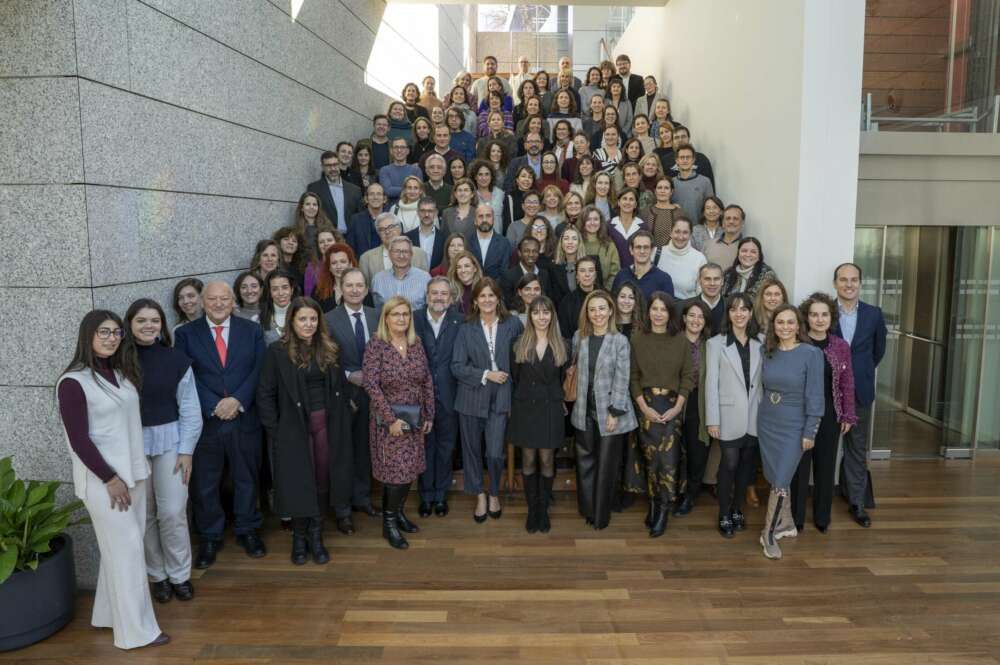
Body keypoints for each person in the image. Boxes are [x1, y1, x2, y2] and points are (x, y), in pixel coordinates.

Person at [57, 311, 169, 649]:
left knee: (119, 551)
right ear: (87, 335)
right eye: (103, 332)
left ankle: (107, 615)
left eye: (116, 332)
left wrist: (133, 473)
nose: (111, 338)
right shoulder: (73, 382)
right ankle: (137, 632)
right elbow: (79, 440)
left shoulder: (120, 373)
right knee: (128, 552)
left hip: (134, 475)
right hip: (105, 483)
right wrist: (109, 477)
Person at [173, 282, 266, 567]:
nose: (218, 303)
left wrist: (237, 400)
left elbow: (259, 369)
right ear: (202, 302)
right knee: (205, 482)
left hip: (244, 416)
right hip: (206, 421)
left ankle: (248, 529)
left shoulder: (252, 330)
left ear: (233, 301)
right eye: (212, 299)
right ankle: (210, 536)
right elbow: (185, 375)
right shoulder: (185, 334)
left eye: (224, 298)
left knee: (246, 478)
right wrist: (214, 404)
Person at [256, 297, 352, 565]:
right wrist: (276, 430)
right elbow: (265, 394)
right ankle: (299, 537)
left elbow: (341, 388)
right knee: (298, 481)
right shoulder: (277, 351)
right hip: (293, 428)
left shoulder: (331, 347)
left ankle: (316, 535)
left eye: (313, 319)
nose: (308, 324)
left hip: (326, 426)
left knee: (322, 480)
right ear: (292, 321)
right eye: (302, 319)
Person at [122, 300, 202, 605]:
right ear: (129, 324)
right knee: (145, 514)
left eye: (154, 320)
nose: (148, 326)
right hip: (132, 445)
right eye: (141, 320)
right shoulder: (117, 362)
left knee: (173, 512)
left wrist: (187, 451)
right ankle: (158, 576)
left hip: (171, 442)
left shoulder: (176, 359)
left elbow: (191, 409)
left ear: (162, 324)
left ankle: (180, 574)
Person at [363, 296, 435, 549]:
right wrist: (391, 420)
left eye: (405, 314)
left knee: (409, 470)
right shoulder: (376, 345)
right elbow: (371, 384)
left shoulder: (416, 343)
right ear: (386, 318)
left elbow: (426, 379)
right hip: (388, 422)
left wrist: (429, 414)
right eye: (396, 314)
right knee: (396, 473)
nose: (401, 318)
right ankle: (389, 523)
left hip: (414, 418)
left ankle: (399, 513)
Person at [451, 278, 524, 521]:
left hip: (501, 396)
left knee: (494, 453)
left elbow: (523, 358)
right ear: (475, 301)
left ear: (498, 298)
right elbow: (457, 366)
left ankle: (494, 492)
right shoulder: (466, 328)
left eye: (491, 295)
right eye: (482, 296)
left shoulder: (513, 324)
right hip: (471, 396)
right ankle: (479, 495)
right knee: (471, 451)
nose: (487, 300)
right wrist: (485, 374)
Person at [757, 304, 825, 560]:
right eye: (780, 322)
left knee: (782, 477)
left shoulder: (811, 354)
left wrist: (810, 431)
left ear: (798, 326)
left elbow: (816, 395)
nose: (785, 327)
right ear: (773, 326)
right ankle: (786, 524)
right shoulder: (768, 351)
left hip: (794, 427)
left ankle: (768, 533)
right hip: (767, 422)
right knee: (776, 477)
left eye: (790, 322)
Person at [628, 292, 695, 537]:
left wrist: (677, 407)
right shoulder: (637, 339)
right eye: (654, 309)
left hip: (671, 406)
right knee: (650, 460)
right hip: (646, 404)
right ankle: (654, 503)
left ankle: (664, 509)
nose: (658, 314)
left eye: (663, 309)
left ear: (670, 313)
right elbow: (633, 376)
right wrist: (643, 407)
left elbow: (687, 376)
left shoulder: (681, 340)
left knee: (668, 460)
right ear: (648, 312)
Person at [571, 290, 637, 530]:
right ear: (587, 313)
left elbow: (622, 378)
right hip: (583, 410)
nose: (597, 313)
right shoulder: (579, 337)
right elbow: (575, 370)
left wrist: (614, 412)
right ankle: (588, 509)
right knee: (585, 462)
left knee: (606, 466)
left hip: (610, 412)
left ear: (610, 311)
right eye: (592, 309)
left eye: (601, 308)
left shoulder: (620, 341)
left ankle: (601, 516)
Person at [793, 292, 857, 533]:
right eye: (814, 315)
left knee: (826, 466)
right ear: (806, 317)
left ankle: (822, 517)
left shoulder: (840, 346)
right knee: (799, 467)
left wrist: (848, 414)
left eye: (824, 315)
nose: (819, 320)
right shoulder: (797, 343)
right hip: (800, 413)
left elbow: (847, 383)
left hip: (830, 414)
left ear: (832, 318)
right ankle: (796, 517)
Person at [323, 268, 381, 532]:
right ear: (340, 288)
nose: (355, 290)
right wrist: (348, 375)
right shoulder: (328, 319)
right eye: (349, 285)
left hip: (372, 395)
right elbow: (325, 359)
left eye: (360, 285)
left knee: (364, 448)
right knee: (341, 453)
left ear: (366, 289)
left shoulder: (377, 315)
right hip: (342, 394)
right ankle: (342, 509)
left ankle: (362, 498)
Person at [831, 262, 887, 528]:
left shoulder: (874, 314)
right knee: (824, 447)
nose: (849, 284)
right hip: (829, 391)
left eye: (853, 280)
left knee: (856, 448)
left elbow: (878, 351)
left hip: (860, 393)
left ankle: (857, 503)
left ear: (860, 283)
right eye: (843, 280)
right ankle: (821, 501)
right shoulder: (824, 311)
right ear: (835, 283)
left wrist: (859, 373)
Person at [704, 293, 763, 538]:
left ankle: (738, 509)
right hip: (727, 415)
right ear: (728, 314)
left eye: (744, 309)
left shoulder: (761, 341)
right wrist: (712, 419)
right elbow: (711, 384)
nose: (739, 314)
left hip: (755, 414)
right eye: (734, 309)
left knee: (747, 466)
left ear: (750, 313)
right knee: (729, 464)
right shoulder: (715, 343)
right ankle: (724, 513)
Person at [509, 295, 568, 533]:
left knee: (546, 460)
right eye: (536, 312)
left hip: (550, 408)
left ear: (552, 315)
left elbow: (562, 380)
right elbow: (516, 378)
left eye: (546, 312)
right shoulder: (517, 344)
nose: (541, 317)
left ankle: (543, 509)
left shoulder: (563, 345)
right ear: (530, 316)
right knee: (528, 460)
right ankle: (532, 509)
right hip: (525, 408)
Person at [413, 277, 463, 516]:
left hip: (450, 395)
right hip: (419, 396)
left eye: (444, 293)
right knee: (424, 446)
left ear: (451, 298)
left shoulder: (460, 321)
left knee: (445, 447)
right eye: (434, 293)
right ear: (427, 296)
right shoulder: (413, 319)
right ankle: (425, 496)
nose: (439, 297)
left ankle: (441, 495)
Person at [676, 300, 711, 517]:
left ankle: (690, 494)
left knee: (697, 451)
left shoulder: (710, 345)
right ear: (684, 318)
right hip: (675, 400)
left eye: (700, 316)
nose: (695, 320)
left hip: (700, 403)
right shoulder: (673, 341)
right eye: (691, 315)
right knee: (674, 450)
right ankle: (673, 492)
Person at [358, 212, 429, 284]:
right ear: (378, 234)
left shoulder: (420, 255)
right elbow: (364, 287)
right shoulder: (366, 259)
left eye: (391, 227)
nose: (387, 231)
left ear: (399, 228)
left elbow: (426, 285)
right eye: (382, 229)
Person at [307, 151, 362, 235]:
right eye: (328, 166)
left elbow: (359, 216)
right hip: (327, 237)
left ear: (339, 165)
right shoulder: (314, 188)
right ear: (322, 167)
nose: (333, 169)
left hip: (350, 237)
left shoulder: (355, 190)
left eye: (335, 164)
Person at [371, 236, 432, 309]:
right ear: (389, 254)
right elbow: (377, 310)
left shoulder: (425, 278)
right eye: (397, 251)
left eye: (405, 251)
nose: (401, 256)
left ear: (411, 255)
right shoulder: (378, 279)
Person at [612, 230, 674, 299]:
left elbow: (668, 305)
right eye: (638, 247)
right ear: (631, 250)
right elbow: (614, 302)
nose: (642, 251)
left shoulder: (664, 279)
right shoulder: (621, 276)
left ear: (652, 250)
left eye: (646, 247)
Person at [657, 217, 707, 299]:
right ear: (670, 233)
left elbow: (701, 293)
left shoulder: (699, 259)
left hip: (686, 305)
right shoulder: (657, 253)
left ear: (690, 235)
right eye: (677, 231)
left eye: (685, 232)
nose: (681, 237)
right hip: (660, 305)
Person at [557, 255, 599, 341]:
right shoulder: (567, 302)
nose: (587, 274)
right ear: (577, 276)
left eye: (591, 270)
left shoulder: (606, 297)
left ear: (595, 274)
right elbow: (565, 334)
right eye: (582, 271)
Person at [579, 205, 620, 290]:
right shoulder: (577, 243)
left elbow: (615, 273)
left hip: (604, 292)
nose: (592, 223)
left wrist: (605, 291)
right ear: (583, 222)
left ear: (601, 222)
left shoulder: (609, 245)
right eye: (588, 219)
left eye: (596, 219)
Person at [467, 203, 513, 280]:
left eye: (488, 216)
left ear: (493, 219)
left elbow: (504, 273)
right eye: (480, 216)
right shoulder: (467, 242)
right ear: (475, 221)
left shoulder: (504, 243)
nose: (484, 220)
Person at [671, 145, 714, 222]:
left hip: (699, 227)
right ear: (677, 160)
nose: (685, 160)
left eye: (688, 157)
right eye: (682, 157)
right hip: (677, 228)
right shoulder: (671, 183)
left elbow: (711, 208)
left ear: (693, 160)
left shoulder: (705, 181)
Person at [312, 242, 357, 313]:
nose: (338, 266)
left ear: (350, 264)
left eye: (343, 262)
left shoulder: (361, 289)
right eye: (334, 263)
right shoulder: (318, 291)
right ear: (329, 267)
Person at [346, 182, 387, 259]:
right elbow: (350, 248)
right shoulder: (355, 220)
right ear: (366, 199)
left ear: (384, 199)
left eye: (379, 194)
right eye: (371, 194)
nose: (375, 197)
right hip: (362, 263)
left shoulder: (391, 219)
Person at [405, 196, 445, 270]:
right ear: (417, 212)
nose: (426, 214)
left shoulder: (444, 238)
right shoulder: (407, 237)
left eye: (430, 211)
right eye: (423, 211)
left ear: (436, 212)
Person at [608, 187, 646, 267]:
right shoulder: (609, 225)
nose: (628, 202)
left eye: (631, 199)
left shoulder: (643, 226)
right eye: (624, 199)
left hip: (637, 271)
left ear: (635, 204)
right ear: (619, 202)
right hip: (615, 271)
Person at [640, 176, 681, 249]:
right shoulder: (645, 212)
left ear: (671, 191)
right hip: (649, 254)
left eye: (666, 188)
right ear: (655, 191)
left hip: (673, 254)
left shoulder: (679, 213)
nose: (662, 191)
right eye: (659, 188)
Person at [259, 269, 298, 345]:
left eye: (285, 287)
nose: (280, 293)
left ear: (292, 289)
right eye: (275, 289)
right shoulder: (260, 316)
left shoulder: (303, 311)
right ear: (270, 292)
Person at [379, 138, 422, 206]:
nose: (399, 150)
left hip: (413, 208)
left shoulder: (416, 170)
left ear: (407, 151)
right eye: (396, 147)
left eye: (402, 147)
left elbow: (419, 192)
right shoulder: (384, 170)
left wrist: (395, 189)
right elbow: (388, 191)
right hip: (391, 209)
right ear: (391, 151)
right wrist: (410, 189)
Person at [294, 191, 336, 259]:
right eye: (308, 204)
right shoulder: (297, 230)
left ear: (318, 208)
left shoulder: (327, 226)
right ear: (302, 208)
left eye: (314, 204)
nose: (311, 207)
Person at [705, 204, 745, 270]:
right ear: (723, 223)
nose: (731, 221)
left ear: (742, 223)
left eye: (735, 218)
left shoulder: (747, 248)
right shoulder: (708, 245)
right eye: (728, 218)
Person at [303, 229, 340, 297]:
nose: (326, 244)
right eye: (321, 242)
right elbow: (308, 297)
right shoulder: (311, 268)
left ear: (336, 242)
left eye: (329, 240)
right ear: (317, 246)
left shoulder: (346, 264)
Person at [692, 263, 726, 335]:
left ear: (722, 281)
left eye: (716, 279)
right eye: (707, 279)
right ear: (699, 281)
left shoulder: (732, 307)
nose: (712, 283)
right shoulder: (683, 307)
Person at [471, 158, 505, 223]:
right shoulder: (471, 196)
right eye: (480, 174)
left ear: (491, 176)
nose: (484, 178)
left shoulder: (500, 194)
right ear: (475, 177)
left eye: (487, 174)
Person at [273, 226, 306, 291]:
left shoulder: (301, 268)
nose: (290, 243)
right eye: (286, 239)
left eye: (294, 241)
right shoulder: (274, 265)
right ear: (279, 242)